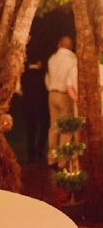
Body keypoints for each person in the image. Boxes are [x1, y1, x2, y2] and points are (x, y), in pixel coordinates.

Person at [45, 36, 76, 165]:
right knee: (66, 128)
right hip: (65, 95)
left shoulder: (52, 59)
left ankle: (52, 158)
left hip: (52, 94)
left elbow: (47, 77)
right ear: (71, 46)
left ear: (59, 44)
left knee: (53, 127)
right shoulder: (73, 60)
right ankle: (62, 161)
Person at [20, 59, 49, 162]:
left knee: (30, 129)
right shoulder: (43, 74)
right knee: (44, 126)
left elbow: (18, 90)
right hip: (41, 103)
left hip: (27, 104)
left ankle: (31, 152)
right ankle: (40, 150)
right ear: (39, 63)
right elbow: (48, 86)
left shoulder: (23, 75)